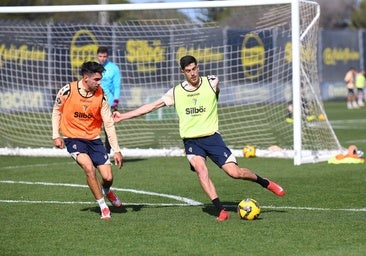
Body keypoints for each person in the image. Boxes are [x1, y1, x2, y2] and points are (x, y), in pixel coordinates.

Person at [113, 55, 285, 222]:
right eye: (188, 71)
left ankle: (265, 182)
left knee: (235, 173)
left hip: (212, 138)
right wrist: (123, 116)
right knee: (201, 170)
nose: (193, 73)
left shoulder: (211, 82)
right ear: (183, 72)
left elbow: (216, 92)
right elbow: (150, 107)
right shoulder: (176, 92)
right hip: (192, 142)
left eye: (195, 69)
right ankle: (221, 210)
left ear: (198, 68)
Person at [52, 61, 124, 220]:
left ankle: (107, 191)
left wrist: (116, 149)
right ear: (86, 78)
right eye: (97, 79)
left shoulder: (101, 95)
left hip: (94, 139)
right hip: (73, 138)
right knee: (88, 167)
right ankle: (103, 207)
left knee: (108, 177)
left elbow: (108, 123)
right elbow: (57, 111)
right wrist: (55, 135)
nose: (100, 83)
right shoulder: (67, 90)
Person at [96, 46, 122, 154]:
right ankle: (94, 150)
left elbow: (117, 86)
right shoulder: (93, 67)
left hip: (108, 102)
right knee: (93, 127)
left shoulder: (114, 68)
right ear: (97, 56)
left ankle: (107, 152)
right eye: (100, 56)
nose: (102, 58)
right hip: (94, 101)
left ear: (107, 56)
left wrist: (115, 101)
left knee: (108, 128)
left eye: (104, 56)